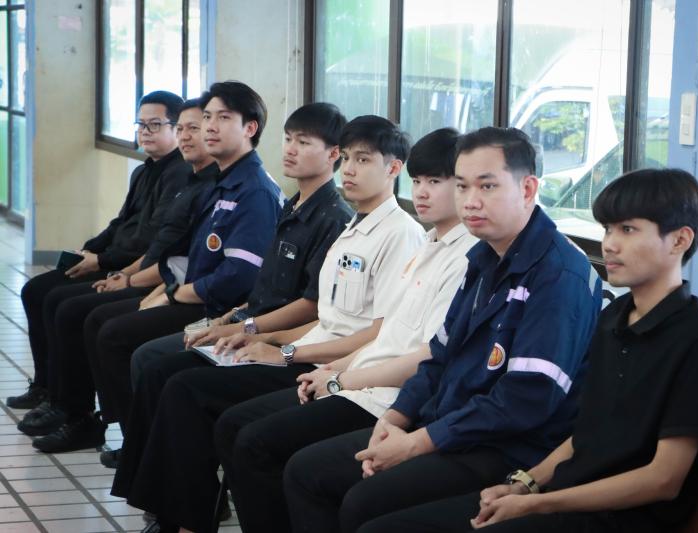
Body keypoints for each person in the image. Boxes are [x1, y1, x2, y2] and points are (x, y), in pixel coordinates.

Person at [356, 168, 698, 533]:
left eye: (628, 230)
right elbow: (586, 432)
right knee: (379, 519)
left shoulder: (697, 338)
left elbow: (663, 479)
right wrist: (525, 484)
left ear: (680, 240)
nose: (610, 244)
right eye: (608, 229)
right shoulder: (615, 317)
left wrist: (538, 503)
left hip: (616, 518)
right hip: (564, 496)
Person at [113, 115, 426, 533]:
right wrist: (256, 334)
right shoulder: (353, 226)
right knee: (174, 379)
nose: (349, 169)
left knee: (198, 397)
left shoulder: (400, 234)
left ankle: (188, 521)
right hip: (307, 353)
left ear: (393, 168)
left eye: (363, 160)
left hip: (332, 368)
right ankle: (178, 517)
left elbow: (375, 334)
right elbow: (326, 318)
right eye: (348, 158)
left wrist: (284, 351)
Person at [282, 126, 602, 533]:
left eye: (487, 186)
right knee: (307, 472)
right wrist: (395, 419)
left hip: (507, 448)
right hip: (450, 425)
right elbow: (439, 356)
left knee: (365, 505)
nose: (471, 200)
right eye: (463, 186)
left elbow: (525, 401)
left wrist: (417, 442)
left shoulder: (558, 274)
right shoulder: (484, 257)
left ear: (527, 189)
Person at [211, 127, 479, 532]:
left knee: (266, 448)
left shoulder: (455, 254)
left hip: (385, 395)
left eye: (436, 182)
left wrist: (326, 372)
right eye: (419, 181)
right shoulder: (426, 243)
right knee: (238, 427)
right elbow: (383, 333)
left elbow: (423, 355)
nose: (423, 192)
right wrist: (328, 369)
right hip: (351, 375)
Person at [97, 101, 354, 469]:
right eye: (288, 139)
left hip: (277, 340)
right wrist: (226, 321)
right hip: (245, 320)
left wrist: (245, 329)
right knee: (154, 362)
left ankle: (167, 482)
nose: (290, 149)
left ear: (333, 154)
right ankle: (146, 468)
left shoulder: (331, 217)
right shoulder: (293, 205)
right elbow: (261, 288)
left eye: (303, 142)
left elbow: (309, 306)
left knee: (168, 374)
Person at [30, 81, 283, 453]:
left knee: (114, 334)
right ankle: (121, 431)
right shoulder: (219, 182)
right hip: (191, 294)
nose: (207, 128)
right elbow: (181, 253)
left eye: (222, 118)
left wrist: (170, 292)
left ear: (250, 128)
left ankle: (133, 439)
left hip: (217, 308)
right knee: (82, 313)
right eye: (205, 118)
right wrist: (164, 288)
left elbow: (238, 276)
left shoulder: (252, 190)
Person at [17, 98, 218, 447]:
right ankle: (52, 392)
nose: (145, 132)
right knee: (39, 291)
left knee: (73, 310)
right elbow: (125, 225)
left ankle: (83, 414)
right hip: (142, 271)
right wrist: (91, 250)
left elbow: (158, 246)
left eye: (156, 125)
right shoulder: (147, 171)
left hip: (168, 284)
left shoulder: (190, 177)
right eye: (141, 124)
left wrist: (115, 269)